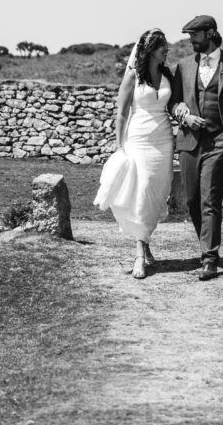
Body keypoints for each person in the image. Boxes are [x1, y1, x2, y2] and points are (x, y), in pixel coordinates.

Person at [169, 15, 223, 281]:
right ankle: (207, 246)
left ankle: (209, 258)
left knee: (209, 200)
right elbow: (174, 102)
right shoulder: (183, 66)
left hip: (218, 143)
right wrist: (184, 116)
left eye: (195, 35)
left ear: (210, 33)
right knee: (192, 199)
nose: (191, 40)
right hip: (190, 141)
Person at [94, 28, 174, 279]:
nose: (167, 51)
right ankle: (140, 255)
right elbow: (121, 112)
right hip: (139, 140)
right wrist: (120, 145)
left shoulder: (166, 74)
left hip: (163, 141)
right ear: (151, 49)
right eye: (164, 48)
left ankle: (145, 241)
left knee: (155, 194)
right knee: (141, 192)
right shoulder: (133, 76)